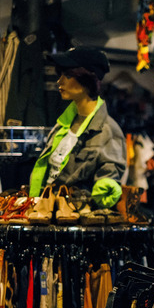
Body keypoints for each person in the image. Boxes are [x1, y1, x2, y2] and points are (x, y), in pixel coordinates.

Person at [29, 46, 127, 209]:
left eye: (68, 75)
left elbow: (105, 191)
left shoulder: (107, 131)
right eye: (60, 74)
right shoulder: (62, 125)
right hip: (45, 213)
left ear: (87, 79)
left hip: (74, 220)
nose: (60, 81)